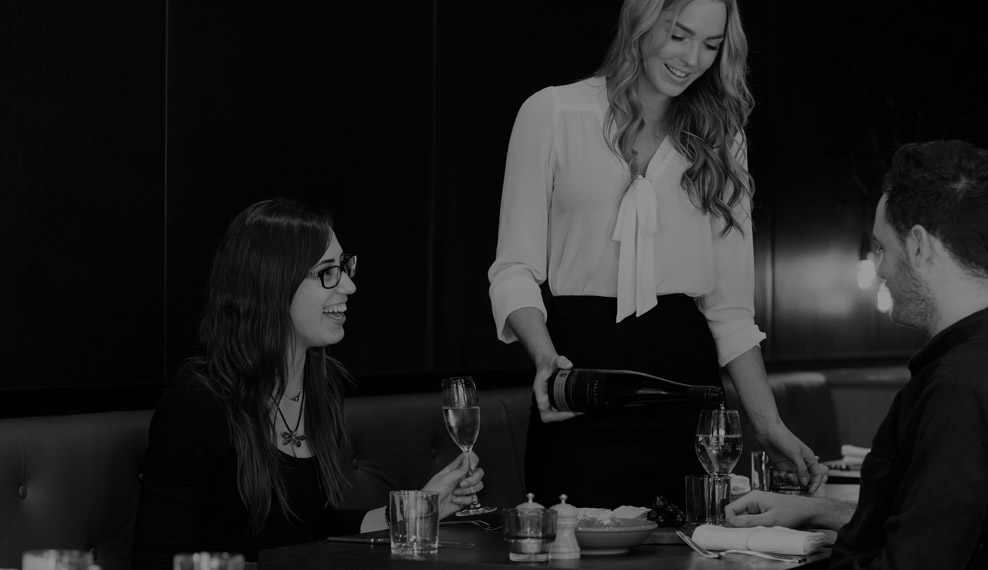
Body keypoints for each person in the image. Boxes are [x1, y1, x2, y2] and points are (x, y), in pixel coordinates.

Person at [488, 0, 825, 508]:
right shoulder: (552, 113)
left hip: (686, 391)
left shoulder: (721, 137)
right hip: (580, 379)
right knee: (574, 539)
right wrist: (545, 361)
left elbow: (731, 311)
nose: (692, 59)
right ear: (642, 22)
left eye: (711, 45)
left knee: (688, 543)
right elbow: (514, 268)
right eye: (679, 35)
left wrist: (769, 425)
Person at [725, 140, 988, 570]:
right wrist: (818, 510)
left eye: (882, 247)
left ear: (918, 246)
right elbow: (954, 525)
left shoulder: (961, 390)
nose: (880, 269)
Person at [133, 198, 485, 569]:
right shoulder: (198, 403)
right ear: (272, 283)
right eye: (327, 272)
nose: (348, 285)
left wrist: (421, 508)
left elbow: (313, 529)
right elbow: (155, 561)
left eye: (344, 266)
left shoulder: (321, 386)